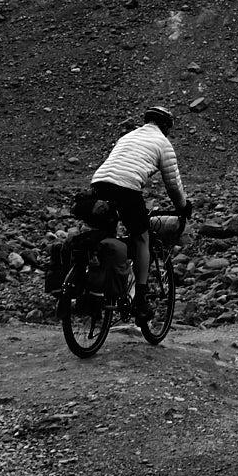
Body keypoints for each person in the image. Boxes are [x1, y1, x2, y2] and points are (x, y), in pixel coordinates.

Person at [75, 106, 190, 325]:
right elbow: (173, 185)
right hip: (126, 188)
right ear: (166, 127)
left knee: (105, 237)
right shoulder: (163, 143)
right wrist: (183, 207)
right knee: (142, 238)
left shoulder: (127, 136)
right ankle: (141, 298)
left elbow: (119, 166)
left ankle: (94, 291)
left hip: (98, 184)